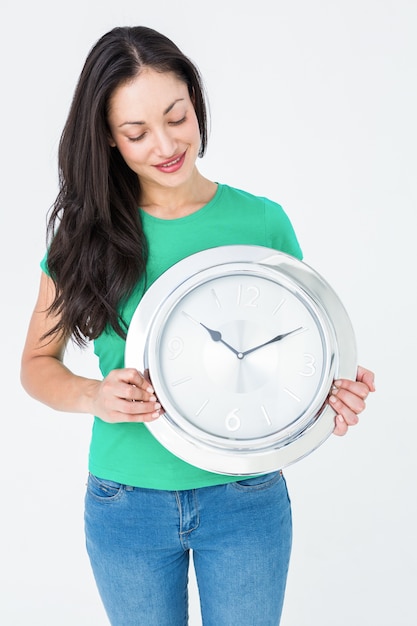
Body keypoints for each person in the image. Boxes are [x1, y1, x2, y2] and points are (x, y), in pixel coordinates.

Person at [20, 26, 375, 626]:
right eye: (136, 132)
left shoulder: (263, 222)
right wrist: (94, 395)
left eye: (177, 117)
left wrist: (334, 395)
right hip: (126, 502)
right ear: (108, 138)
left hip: (246, 498)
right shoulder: (85, 237)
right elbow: (36, 365)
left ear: (196, 103)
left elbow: (295, 353)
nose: (165, 144)